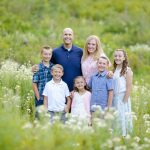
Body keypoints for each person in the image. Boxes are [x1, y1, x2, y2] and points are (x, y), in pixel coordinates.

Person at [112, 49, 133, 136]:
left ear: (124, 58)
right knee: (116, 118)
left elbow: (128, 88)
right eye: (116, 56)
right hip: (115, 97)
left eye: (120, 56)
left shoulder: (127, 70)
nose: (117, 58)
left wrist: (124, 102)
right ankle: (117, 136)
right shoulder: (114, 69)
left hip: (122, 97)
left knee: (123, 117)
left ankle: (124, 136)